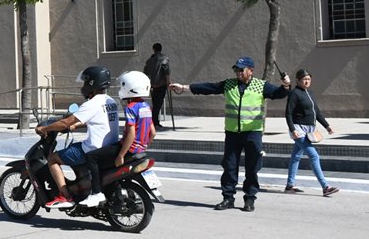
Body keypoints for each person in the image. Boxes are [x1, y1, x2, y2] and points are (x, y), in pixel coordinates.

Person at [170, 55, 290, 212]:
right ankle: (228, 198)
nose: (238, 73)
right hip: (232, 133)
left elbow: (278, 93)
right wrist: (184, 88)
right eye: (236, 70)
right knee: (229, 166)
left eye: (241, 70)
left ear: (251, 71)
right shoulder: (229, 84)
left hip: (253, 133)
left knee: (252, 168)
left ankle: (249, 199)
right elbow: (208, 88)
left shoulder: (260, 86)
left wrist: (286, 86)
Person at [34, 65, 119, 209]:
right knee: (75, 146)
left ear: (91, 83)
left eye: (86, 82)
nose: (84, 86)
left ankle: (65, 196)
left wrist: (45, 128)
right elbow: (98, 121)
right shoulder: (110, 101)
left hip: (92, 150)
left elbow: (65, 122)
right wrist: (75, 126)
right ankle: (80, 186)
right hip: (109, 147)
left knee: (53, 158)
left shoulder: (91, 103)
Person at [284, 69, 339, 197]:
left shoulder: (310, 93)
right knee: (314, 156)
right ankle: (325, 187)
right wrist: (293, 130)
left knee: (296, 157)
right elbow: (288, 113)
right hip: (298, 129)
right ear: (298, 80)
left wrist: (327, 126)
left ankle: (289, 185)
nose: (307, 81)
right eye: (304, 79)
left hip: (310, 129)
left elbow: (317, 112)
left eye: (308, 79)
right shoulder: (294, 94)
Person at [114, 71, 157, 166]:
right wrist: (143, 147)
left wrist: (121, 155)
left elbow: (131, 134)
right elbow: (153, 133)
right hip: (141, 149)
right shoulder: (146, 106)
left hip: (130, 148)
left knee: (93, 157)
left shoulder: (130, 107)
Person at [143, 43, 170, 129]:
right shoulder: (164, 59)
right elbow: (166, 71)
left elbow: (145, 72)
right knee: (158, 103)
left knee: (155, 103)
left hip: (152, 85)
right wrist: (168, 82)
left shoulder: (149, 60)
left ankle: (154, 121)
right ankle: (154, 121)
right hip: (161, 84)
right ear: (161, 49)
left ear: (153, 49)